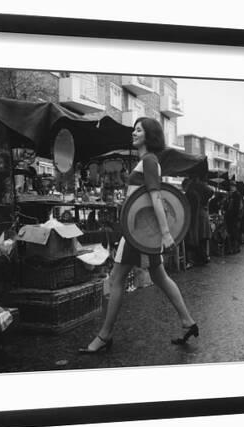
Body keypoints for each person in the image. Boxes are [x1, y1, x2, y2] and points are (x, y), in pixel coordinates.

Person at [79, 117, 199, 353]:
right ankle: (188, 322)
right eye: (134, 129)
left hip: (137, 233)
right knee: (159, 277)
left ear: (149, 135)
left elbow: (156, 196)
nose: (133, 133)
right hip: (141, 232)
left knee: (116, 280)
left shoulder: (150, 161)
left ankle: (104, 335)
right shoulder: (146, 161)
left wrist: (165, 233)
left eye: (138, 130)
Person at [225, 181, 242, 254]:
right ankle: (231, 248)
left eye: (232, 186)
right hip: (229, 217)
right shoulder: (230, 195)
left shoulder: (237, 195)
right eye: (230, 186)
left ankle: (235, 248)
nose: (231, 187)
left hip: (234, 217)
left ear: (235, 187)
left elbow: (237, 207)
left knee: (234, 233)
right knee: (230, 233)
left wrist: (235, 216)